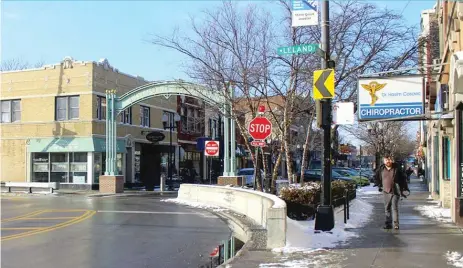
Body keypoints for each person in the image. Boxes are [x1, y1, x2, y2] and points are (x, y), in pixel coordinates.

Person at [374, 155, 409, 230]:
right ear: (384, 161)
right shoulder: (381, 169)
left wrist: (404, 188)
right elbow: (376, 177)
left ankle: (396, 224)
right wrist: (379, 185)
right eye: (386, 160)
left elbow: (403, 178)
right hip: (385, 191)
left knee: (394, 207)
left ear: (391, 160)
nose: (388, 161)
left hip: (395, 191)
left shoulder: (397, 168)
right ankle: (388, 224)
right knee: (387, 208)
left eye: (389, 159)